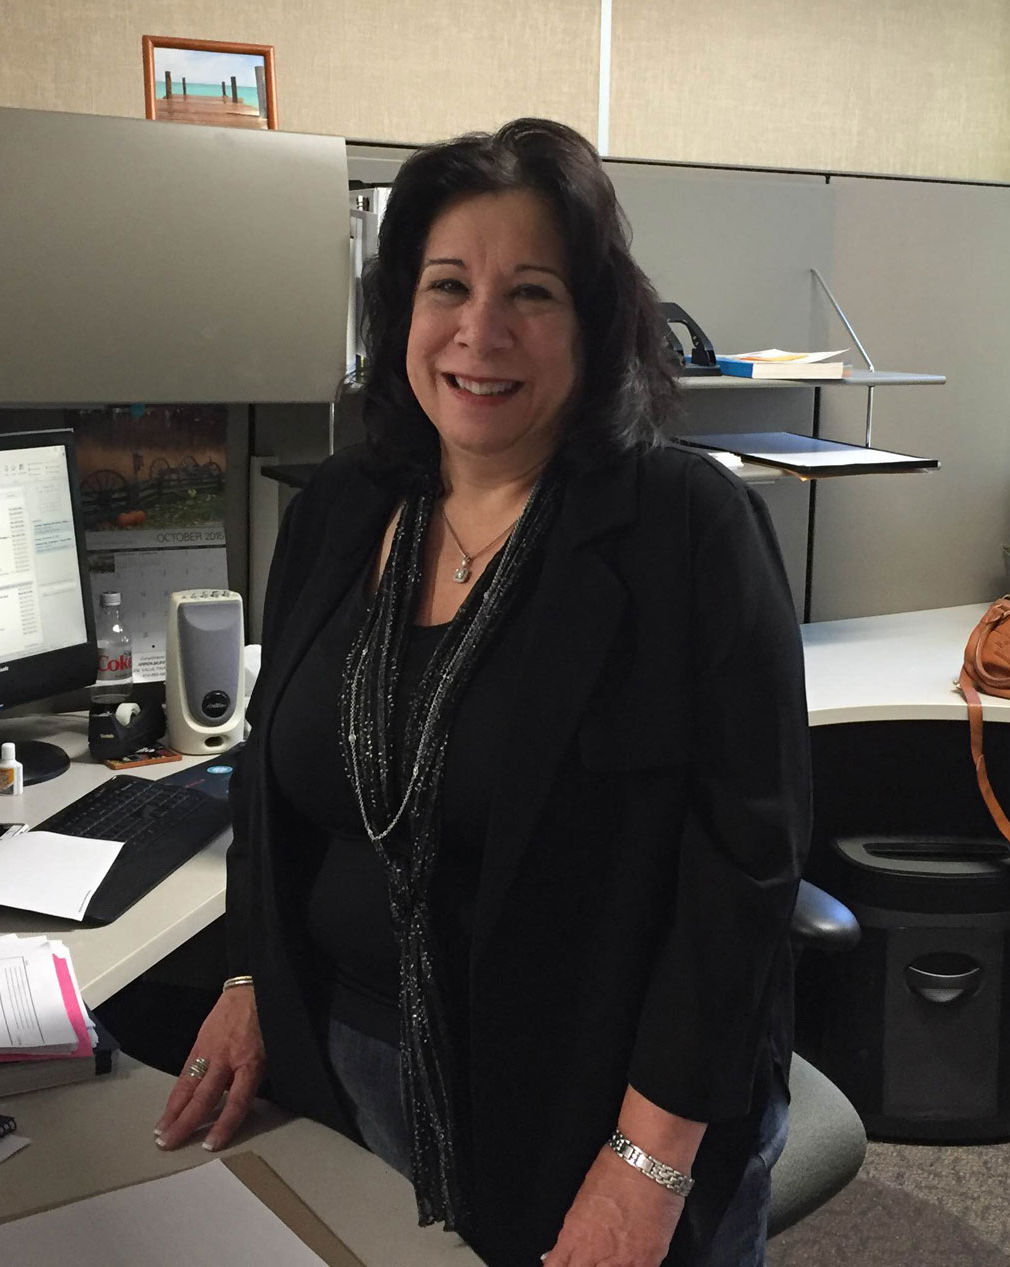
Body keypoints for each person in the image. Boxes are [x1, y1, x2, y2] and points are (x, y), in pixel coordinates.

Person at [153, 117, 811, 1267]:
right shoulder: (340, 511)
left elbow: (741, 870)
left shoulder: (683, 530)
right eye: (445, 285)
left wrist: (646, 1165)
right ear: (400, 309)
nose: (480, 331)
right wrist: (252, 970)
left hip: (586, 1103)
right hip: (341, 1062)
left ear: (597, 320)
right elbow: (271, 778)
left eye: (533, 294)